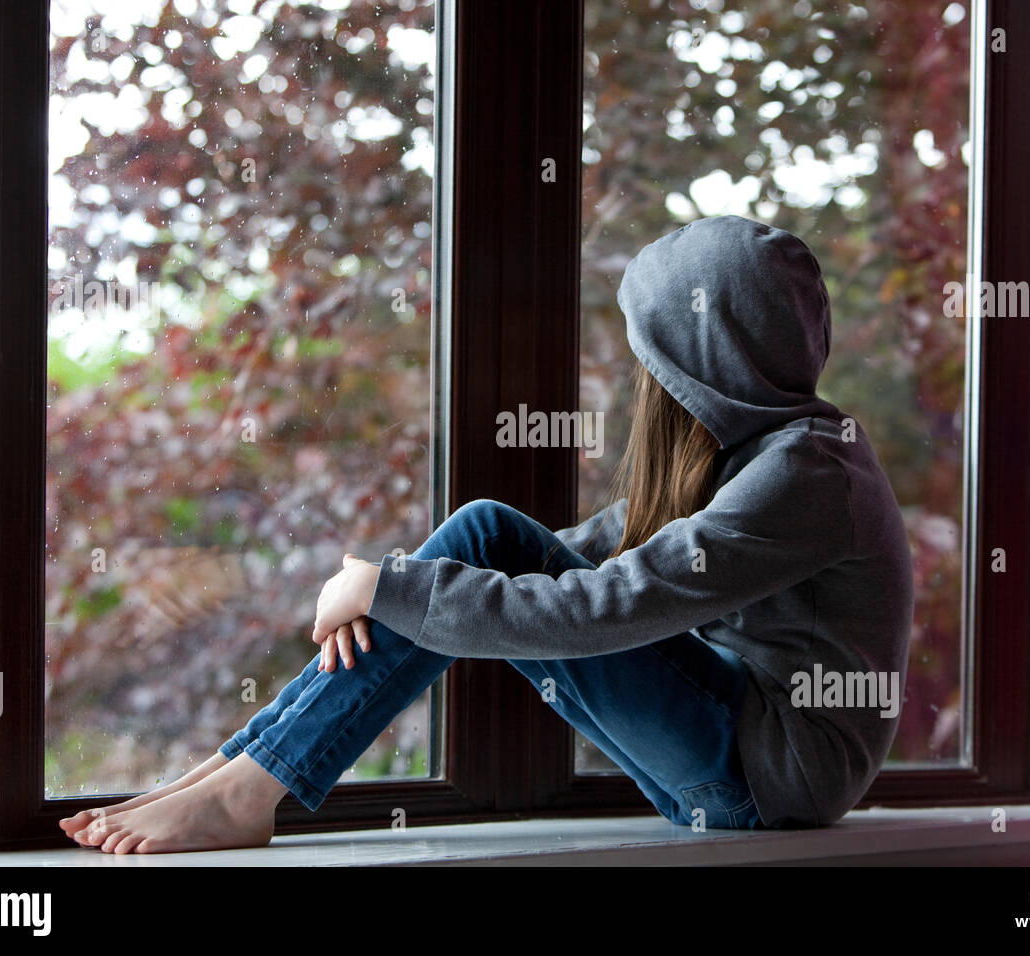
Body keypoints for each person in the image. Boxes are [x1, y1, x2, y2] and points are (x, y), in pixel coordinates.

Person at [59, 215, 914, 854]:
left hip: (769, 782)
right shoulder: (753, 456)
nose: (644, 376)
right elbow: (571, 551)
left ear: (705, 353)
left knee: (482, 538)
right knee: (484, 536)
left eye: (653, 353)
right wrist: (397, 578)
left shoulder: (807, 472)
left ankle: (250, 785)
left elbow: (617, 601)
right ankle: (241, 768)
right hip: (743, 769)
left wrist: (392, 587)